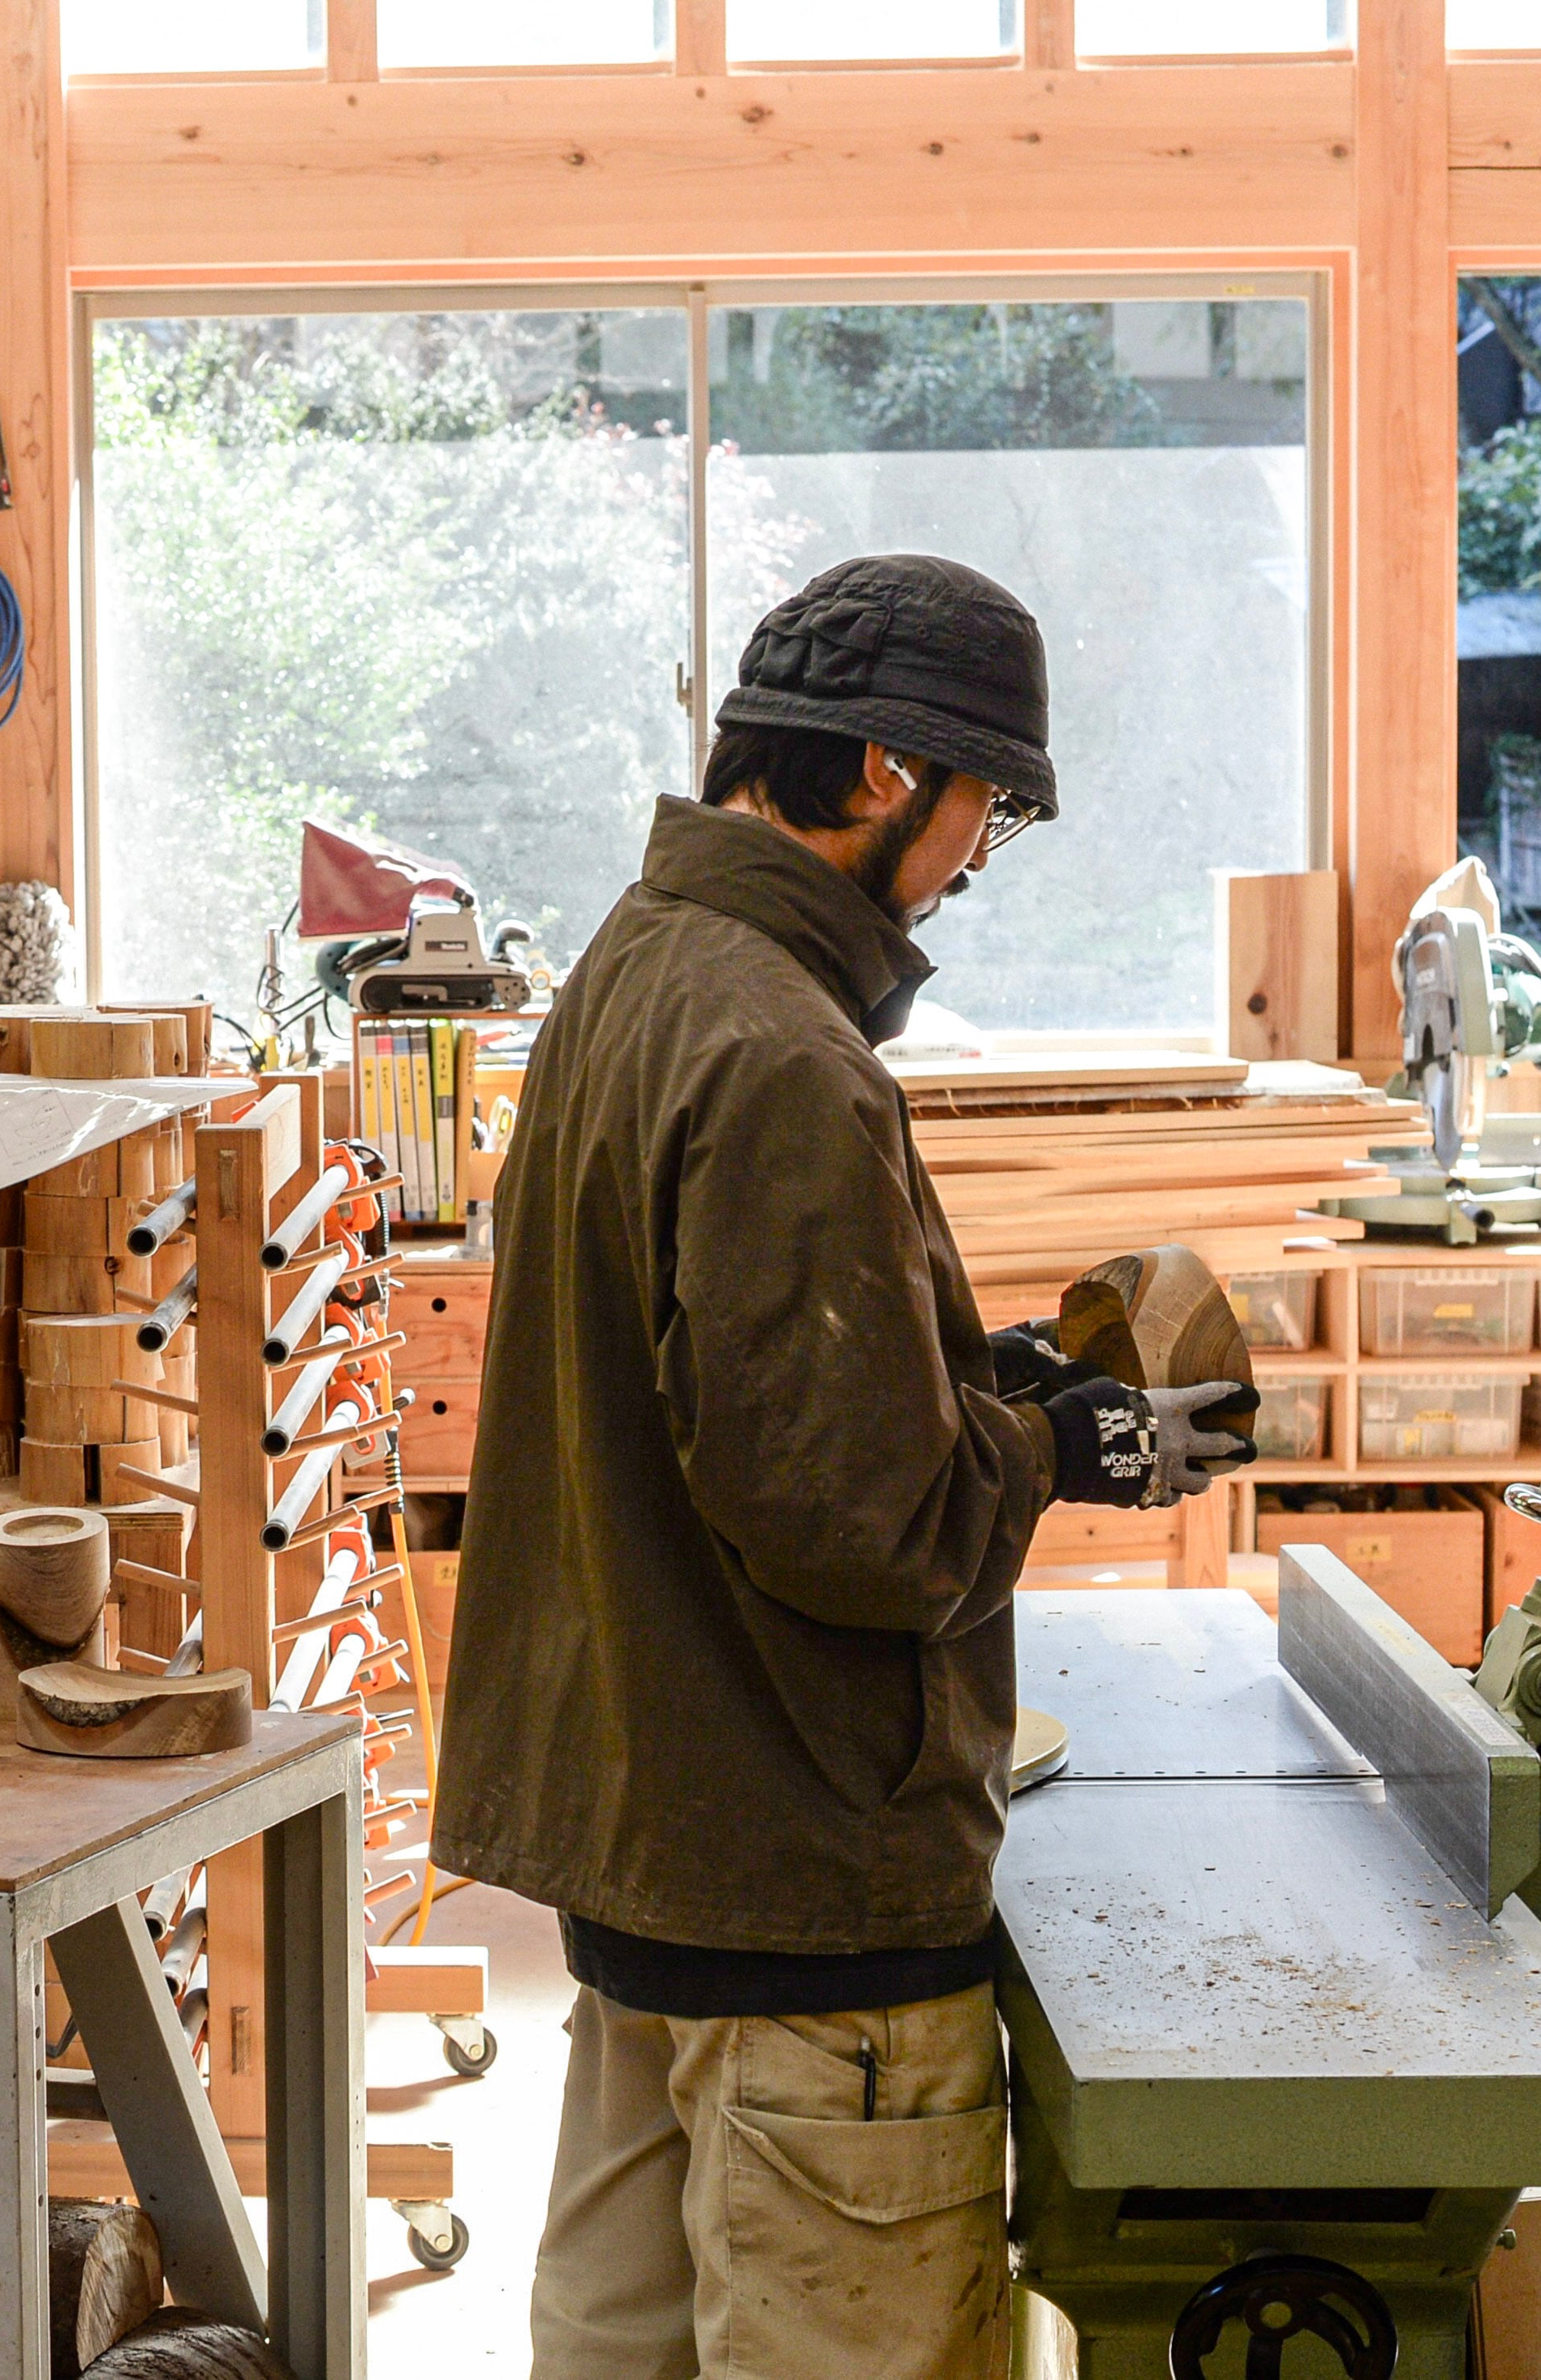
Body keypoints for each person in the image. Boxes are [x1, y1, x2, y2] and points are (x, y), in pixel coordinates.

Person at [430, 553, 1254, 2380]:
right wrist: (1049, 1447)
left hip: (657, 1860)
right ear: (885, 772)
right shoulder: (784, 1049)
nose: (971, 861)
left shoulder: (633, 972)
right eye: (984, 813)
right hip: (804, 1904)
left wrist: (992, 1387)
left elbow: (715, 1389)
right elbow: (853, 1521)